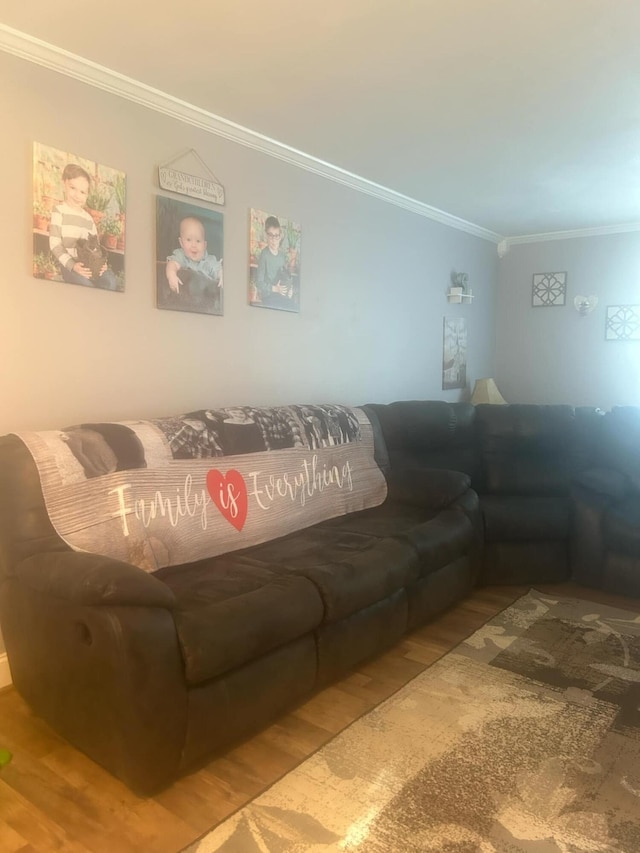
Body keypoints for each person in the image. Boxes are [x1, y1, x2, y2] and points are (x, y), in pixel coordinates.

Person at [49, 164, 118, 290]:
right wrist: (72, 265)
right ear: (64, 184)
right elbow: (55, 244)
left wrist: (102, 264)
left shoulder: (88, 218)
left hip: (90, 265)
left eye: (82, 192)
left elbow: (96, 247)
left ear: (87, 195)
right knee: (85, 285)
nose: (77, 195)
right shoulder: (59, 211)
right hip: (70, 266)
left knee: (110, 281)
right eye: (73, 188)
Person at [165, 216, 223, 311]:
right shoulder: (182, 256)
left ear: (204, 245)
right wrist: (171, 275)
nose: (194, 245)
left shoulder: (209, 260)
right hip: (185, 301)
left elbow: (218, 269)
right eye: (188, 240)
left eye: (198, 241)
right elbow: (172, 264)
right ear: (181, 242)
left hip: (206, 302)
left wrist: (221, 275)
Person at [255, 216, 293, 307]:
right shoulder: (264, 255)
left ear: (280, 236)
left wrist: (289, 289)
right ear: (266, 236)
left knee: (293, 307)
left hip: (281, 295)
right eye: (270, 236)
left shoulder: (282, 255)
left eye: (276, 236)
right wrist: (275, 289)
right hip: (269, 296)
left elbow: (285, 276)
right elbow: (259, 282)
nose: (274, 240)